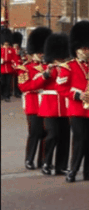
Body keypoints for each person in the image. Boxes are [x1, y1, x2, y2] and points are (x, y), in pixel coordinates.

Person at [60, 21, 89, 183]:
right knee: (80, 140)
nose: (86, 51)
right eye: (83, 49)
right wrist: (78, 95)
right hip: (78, 109)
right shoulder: (68, 66)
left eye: (88, 48)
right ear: (76, 49)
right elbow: (61, 87)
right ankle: (73, 170)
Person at [30, 33, 71, 175]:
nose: (60, 59)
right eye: (58, 57)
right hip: (49, 108)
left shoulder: (68, 68)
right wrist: (46, 74)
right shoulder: (44, 69)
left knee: (65, 138)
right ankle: (46, 162)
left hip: (65, 108)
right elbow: (34, 85)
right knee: (52, 136)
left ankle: (61, 166)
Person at [16, 27, 52, 170]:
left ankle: (42, 161)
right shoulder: (25, 68)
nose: (41, 54)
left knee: (46, 133)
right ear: (32, 53)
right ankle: (29, 159)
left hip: (47, 103)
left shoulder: (47, 66)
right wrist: (43, 78)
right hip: (33, 104)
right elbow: (25, 87)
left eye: (42, 51)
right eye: (38, 52)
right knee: (35, 132)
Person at [0, 28, 16, 102]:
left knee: (8, 83)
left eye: (7, 43)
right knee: (2, 82)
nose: (6, 44)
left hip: (9, 69)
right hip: (2, 69)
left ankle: (6, 96)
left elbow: (14, 58)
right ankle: (2, 94)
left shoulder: (12, 50)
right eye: (5, 43)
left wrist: (13, 63)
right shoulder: (1, 49)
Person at [12, 31, 24, 98]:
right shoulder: (12, 50)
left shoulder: (20, 50)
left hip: (20, 67)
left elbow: (23, 58)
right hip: (14, 67)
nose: (16, 47)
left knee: (20, 80)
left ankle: (19, 92)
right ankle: (15, 92)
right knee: (15, 81)